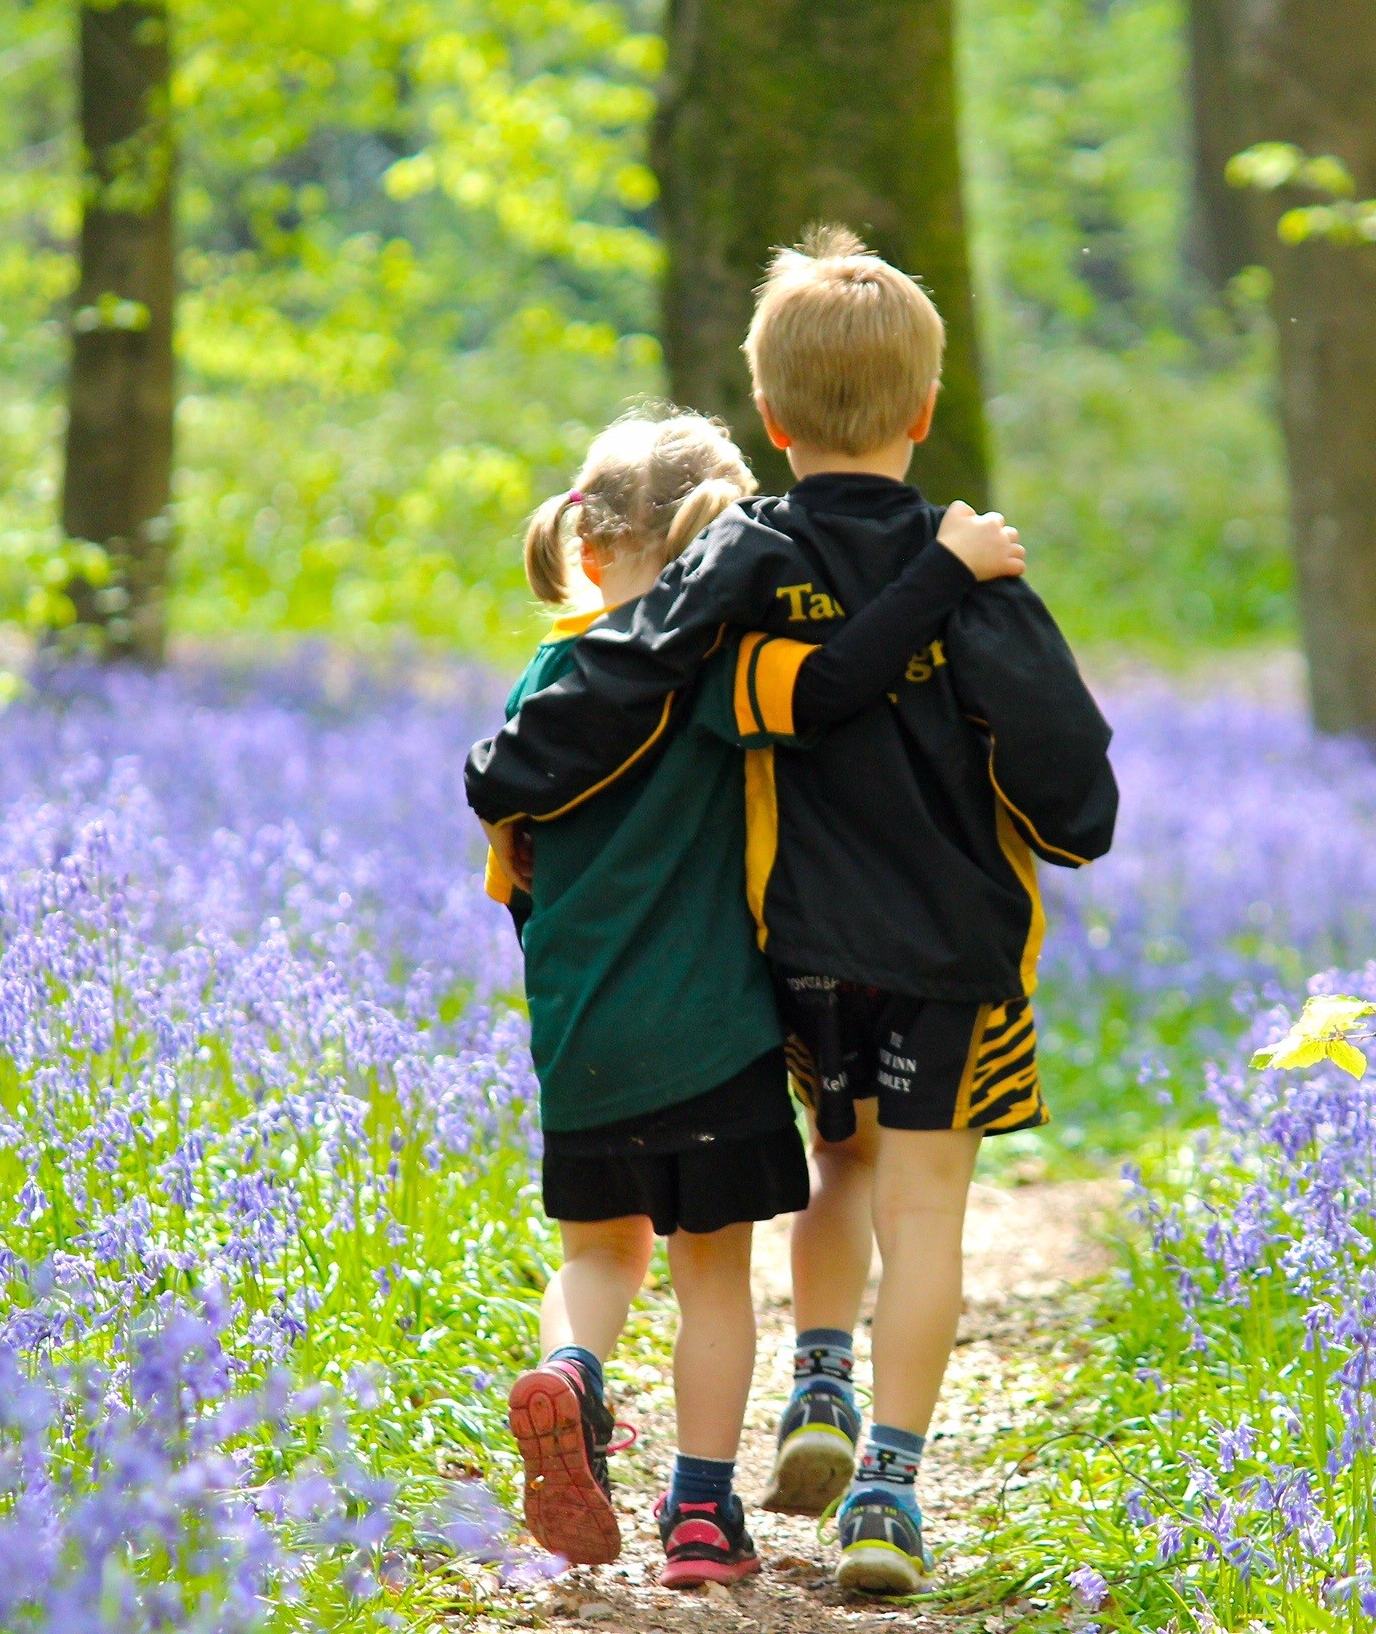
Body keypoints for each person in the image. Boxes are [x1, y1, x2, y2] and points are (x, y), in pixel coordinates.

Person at [468, 230, 1118, 1594]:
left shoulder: (749, 565)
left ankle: (814, 1375)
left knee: (842, 1165)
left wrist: (510, 769)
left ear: (770, 417)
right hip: (952, 955)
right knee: (927, 1204)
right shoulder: (982, 576)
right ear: (926, 411)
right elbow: (1076, 805)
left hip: (798, 949)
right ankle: (888, 1485)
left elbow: (644, 658)